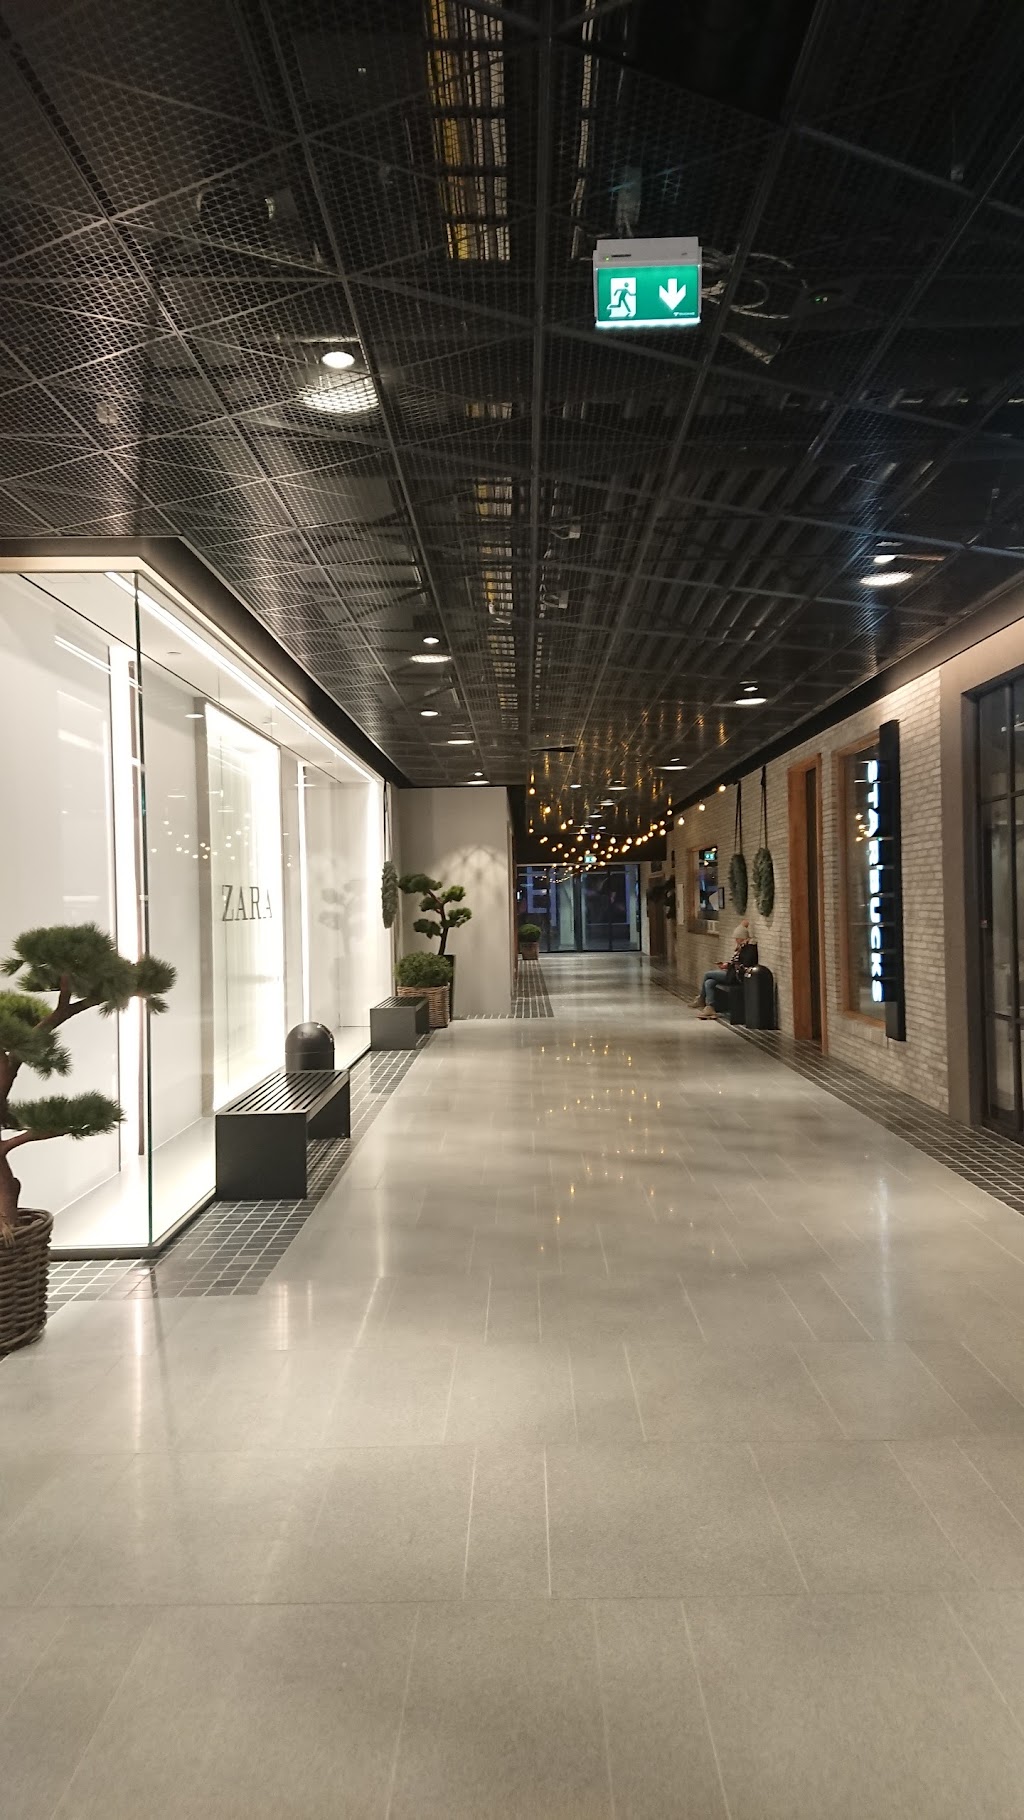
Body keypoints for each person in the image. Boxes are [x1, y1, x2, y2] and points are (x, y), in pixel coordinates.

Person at [690, 919, 754, 1021]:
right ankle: (710, 1008)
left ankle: (701, 999)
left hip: (735, 976)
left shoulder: (748, 949)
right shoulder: (740, 948)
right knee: (709, 982)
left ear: (742, 938)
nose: (736, 940)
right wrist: (727, 965)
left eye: (737, 938)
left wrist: (729, 966)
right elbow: (735, 963)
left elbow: (743, 965)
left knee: (707, 974)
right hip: (731, 973)